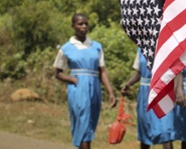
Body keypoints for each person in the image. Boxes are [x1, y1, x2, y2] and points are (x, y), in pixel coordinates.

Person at [53, 13, 117, 149]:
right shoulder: (66, 48)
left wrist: (110, 92)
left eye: (86, 24)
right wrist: (73, 80)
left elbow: (102, 71)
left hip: (94, 87)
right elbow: (58, 73)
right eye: (80, 24)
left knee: (90, 123)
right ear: (73, 26)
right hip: (78, 88)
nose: (84, 26)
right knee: (83, 122)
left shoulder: (96, 47)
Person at [121, 48, 175, 149]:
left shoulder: (167, 44)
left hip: (162, 91)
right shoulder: (141, 49)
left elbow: (177, 70)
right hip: (145, 93)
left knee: (165, 130)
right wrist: (128, 84)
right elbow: (139, 72)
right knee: (145, 129)